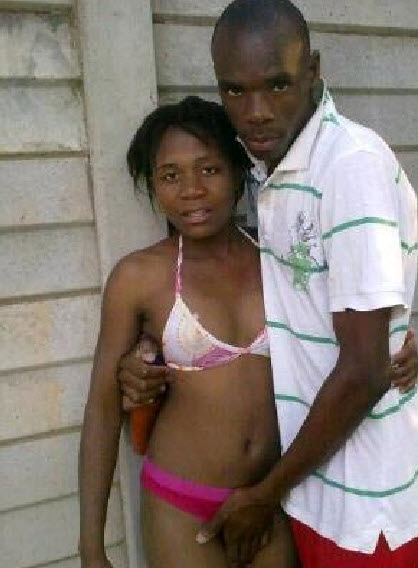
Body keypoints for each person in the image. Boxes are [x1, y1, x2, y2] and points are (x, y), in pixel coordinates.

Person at [118, 1, 418, 567]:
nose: (256, 112)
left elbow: (363, 369)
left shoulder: (349, 165)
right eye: (235, 91)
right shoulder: (277, 177)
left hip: (363, 502)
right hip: (310, 490)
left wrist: (265, 494)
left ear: (313, 71)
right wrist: (148, 353)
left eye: (278, 85)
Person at [79, 97, 299, 568]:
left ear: (237, 172)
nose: (192, 191)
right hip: (180, 504)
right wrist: (91, 546)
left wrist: (396, 347)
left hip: (265, 497)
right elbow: (102, 409)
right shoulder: (139, 277)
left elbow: (340, 336)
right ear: (153, 186)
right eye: (170, 176)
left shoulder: (278, 260)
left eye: (209, 170)